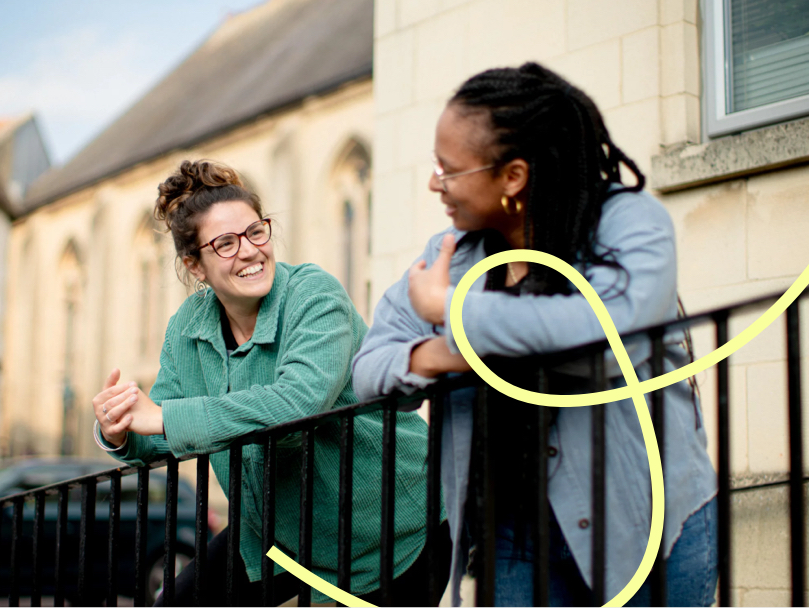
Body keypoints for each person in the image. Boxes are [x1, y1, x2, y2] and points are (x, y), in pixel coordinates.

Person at [352, 63, 718, 606]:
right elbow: (368, 373)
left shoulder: (628, 222)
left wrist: (453, 310)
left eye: (448, 169)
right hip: (514, 537)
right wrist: (449, 356)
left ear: (513, 176)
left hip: (644, 521)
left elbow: (608, 336)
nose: (435, 183)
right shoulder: (449, 254)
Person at [91, 160, 450, 606]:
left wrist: (163, 417)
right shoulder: (186, 328)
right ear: (195, 265)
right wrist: (120, 430)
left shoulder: (314, 295)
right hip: (276, 533)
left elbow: (298, 403)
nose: (249, 251)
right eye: (224, 243)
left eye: (255, 232)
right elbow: (163, 433)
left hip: (389, 533)